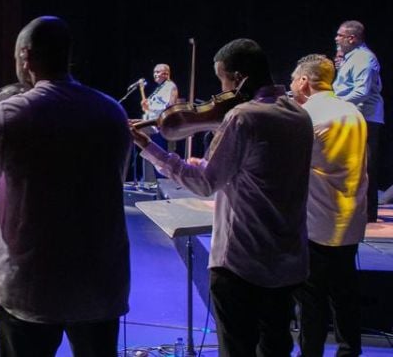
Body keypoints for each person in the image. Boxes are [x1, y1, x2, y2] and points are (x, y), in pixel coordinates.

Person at [0, 16, 131, 355]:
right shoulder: (112, 112)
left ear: (26, 57)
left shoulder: (12, 114)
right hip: (100, 285)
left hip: (32, 287)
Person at [131, 38, 313, 356]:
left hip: (242, 263)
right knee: (276, 348)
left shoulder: (243, 117)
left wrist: (149, 147)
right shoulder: (300, 115)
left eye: (223, 81)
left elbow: (204, 184)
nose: (221, 92)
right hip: (287, 262)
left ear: (239, 78)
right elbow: (263, 170)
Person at [289, 54, 368, 357]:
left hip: (317, 223)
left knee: (312, 301)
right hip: (350, 220)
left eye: (293, 79)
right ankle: (350, 352)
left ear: (304, 81)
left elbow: (291, 166)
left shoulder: (308, 116)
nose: (291, 85)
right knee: (345, 295)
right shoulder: (353, 112)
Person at [332, 20, 383, 222]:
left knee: (366, 165)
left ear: (352, 38)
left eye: (340, 35)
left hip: (365, 117)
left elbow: (361, 92)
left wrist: (333, 102)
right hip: (353, 114)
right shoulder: (351, 57)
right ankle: (356, 210)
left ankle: (369, 213)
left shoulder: (363, 58)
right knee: (352, 163)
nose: (336, 38)